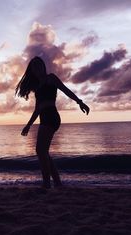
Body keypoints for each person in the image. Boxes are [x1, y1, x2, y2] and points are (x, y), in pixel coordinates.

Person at [16, 56, 90, 188]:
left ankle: (46, 184)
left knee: (40, 150)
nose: (37, 68)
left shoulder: (51, 78)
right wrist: (28, 125)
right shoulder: (37, 87)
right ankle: (57, 183)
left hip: (51, 116)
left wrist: (80, 102)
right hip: (44, 118)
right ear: (32, 70)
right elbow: (37, 109)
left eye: (39, 65)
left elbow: (66, 90)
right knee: (43, 151)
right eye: (34, 66)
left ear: (43, 66)